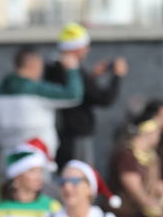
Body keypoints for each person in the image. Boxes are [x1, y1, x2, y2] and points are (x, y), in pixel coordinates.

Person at [0, 46, 83, 158]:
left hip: (6, 157)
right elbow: (73, 95)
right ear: (35, 64)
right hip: (38, 157)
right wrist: (72, 69)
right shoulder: (37, 90)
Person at [51, 23, 127, 166]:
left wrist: (91, 77)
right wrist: (117, 76)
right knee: (78, 173)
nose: (87, 50)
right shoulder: (71, 71)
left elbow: (81, 92)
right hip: (75, 136)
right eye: (85, 46)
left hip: (63, 135)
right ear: (75, 49)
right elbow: (103, 98)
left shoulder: (53, 68)